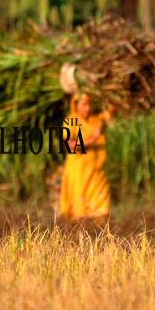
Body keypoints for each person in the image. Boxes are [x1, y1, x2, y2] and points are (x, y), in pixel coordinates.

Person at [57, 92, 116, 224]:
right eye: (84, 105)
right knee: (78, 216)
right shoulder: (70, 122)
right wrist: (92, 140)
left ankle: (98, 241)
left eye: (89, 104)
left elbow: (113, 108)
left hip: (97, 173)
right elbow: (69, 145)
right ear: (76, 105)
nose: (87, 108)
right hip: (79, 173)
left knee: (101, 213)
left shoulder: (98, 120)